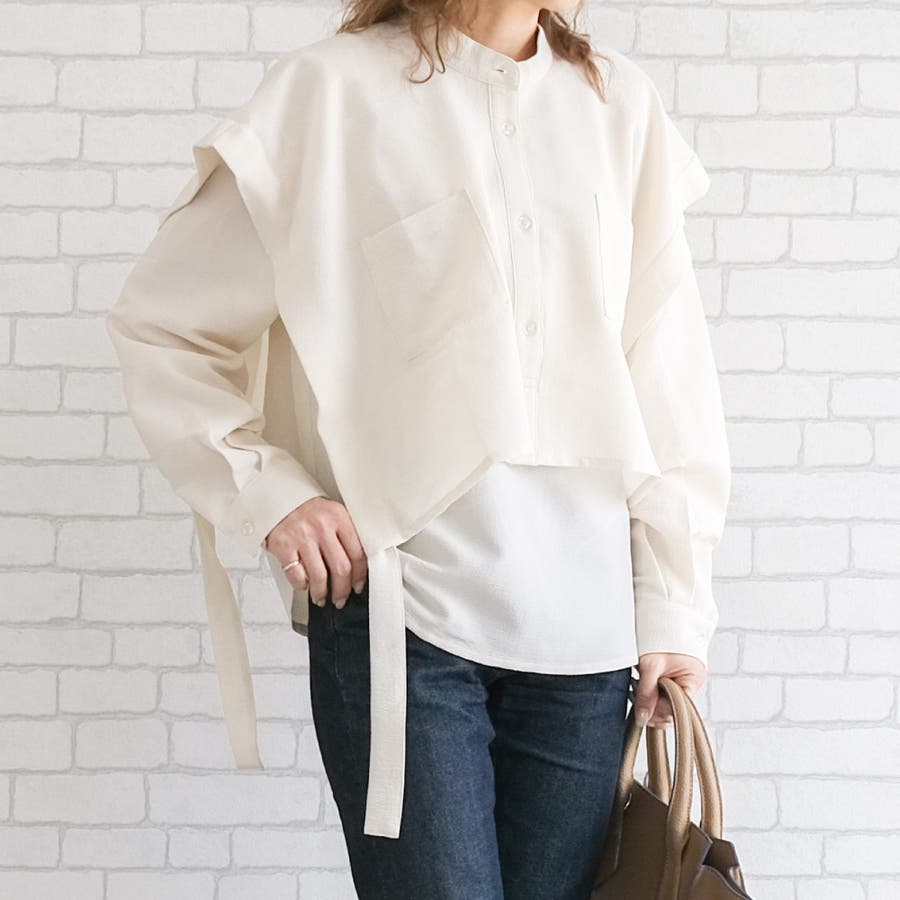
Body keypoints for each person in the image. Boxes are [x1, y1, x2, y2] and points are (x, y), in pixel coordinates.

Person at [106, 1, 731, 897]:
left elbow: (669, 383)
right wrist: (273, 493)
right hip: (406, 633)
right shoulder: (328, 94)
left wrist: (671, 602)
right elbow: (163, 325)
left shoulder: (617, 105)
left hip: (589, 653)